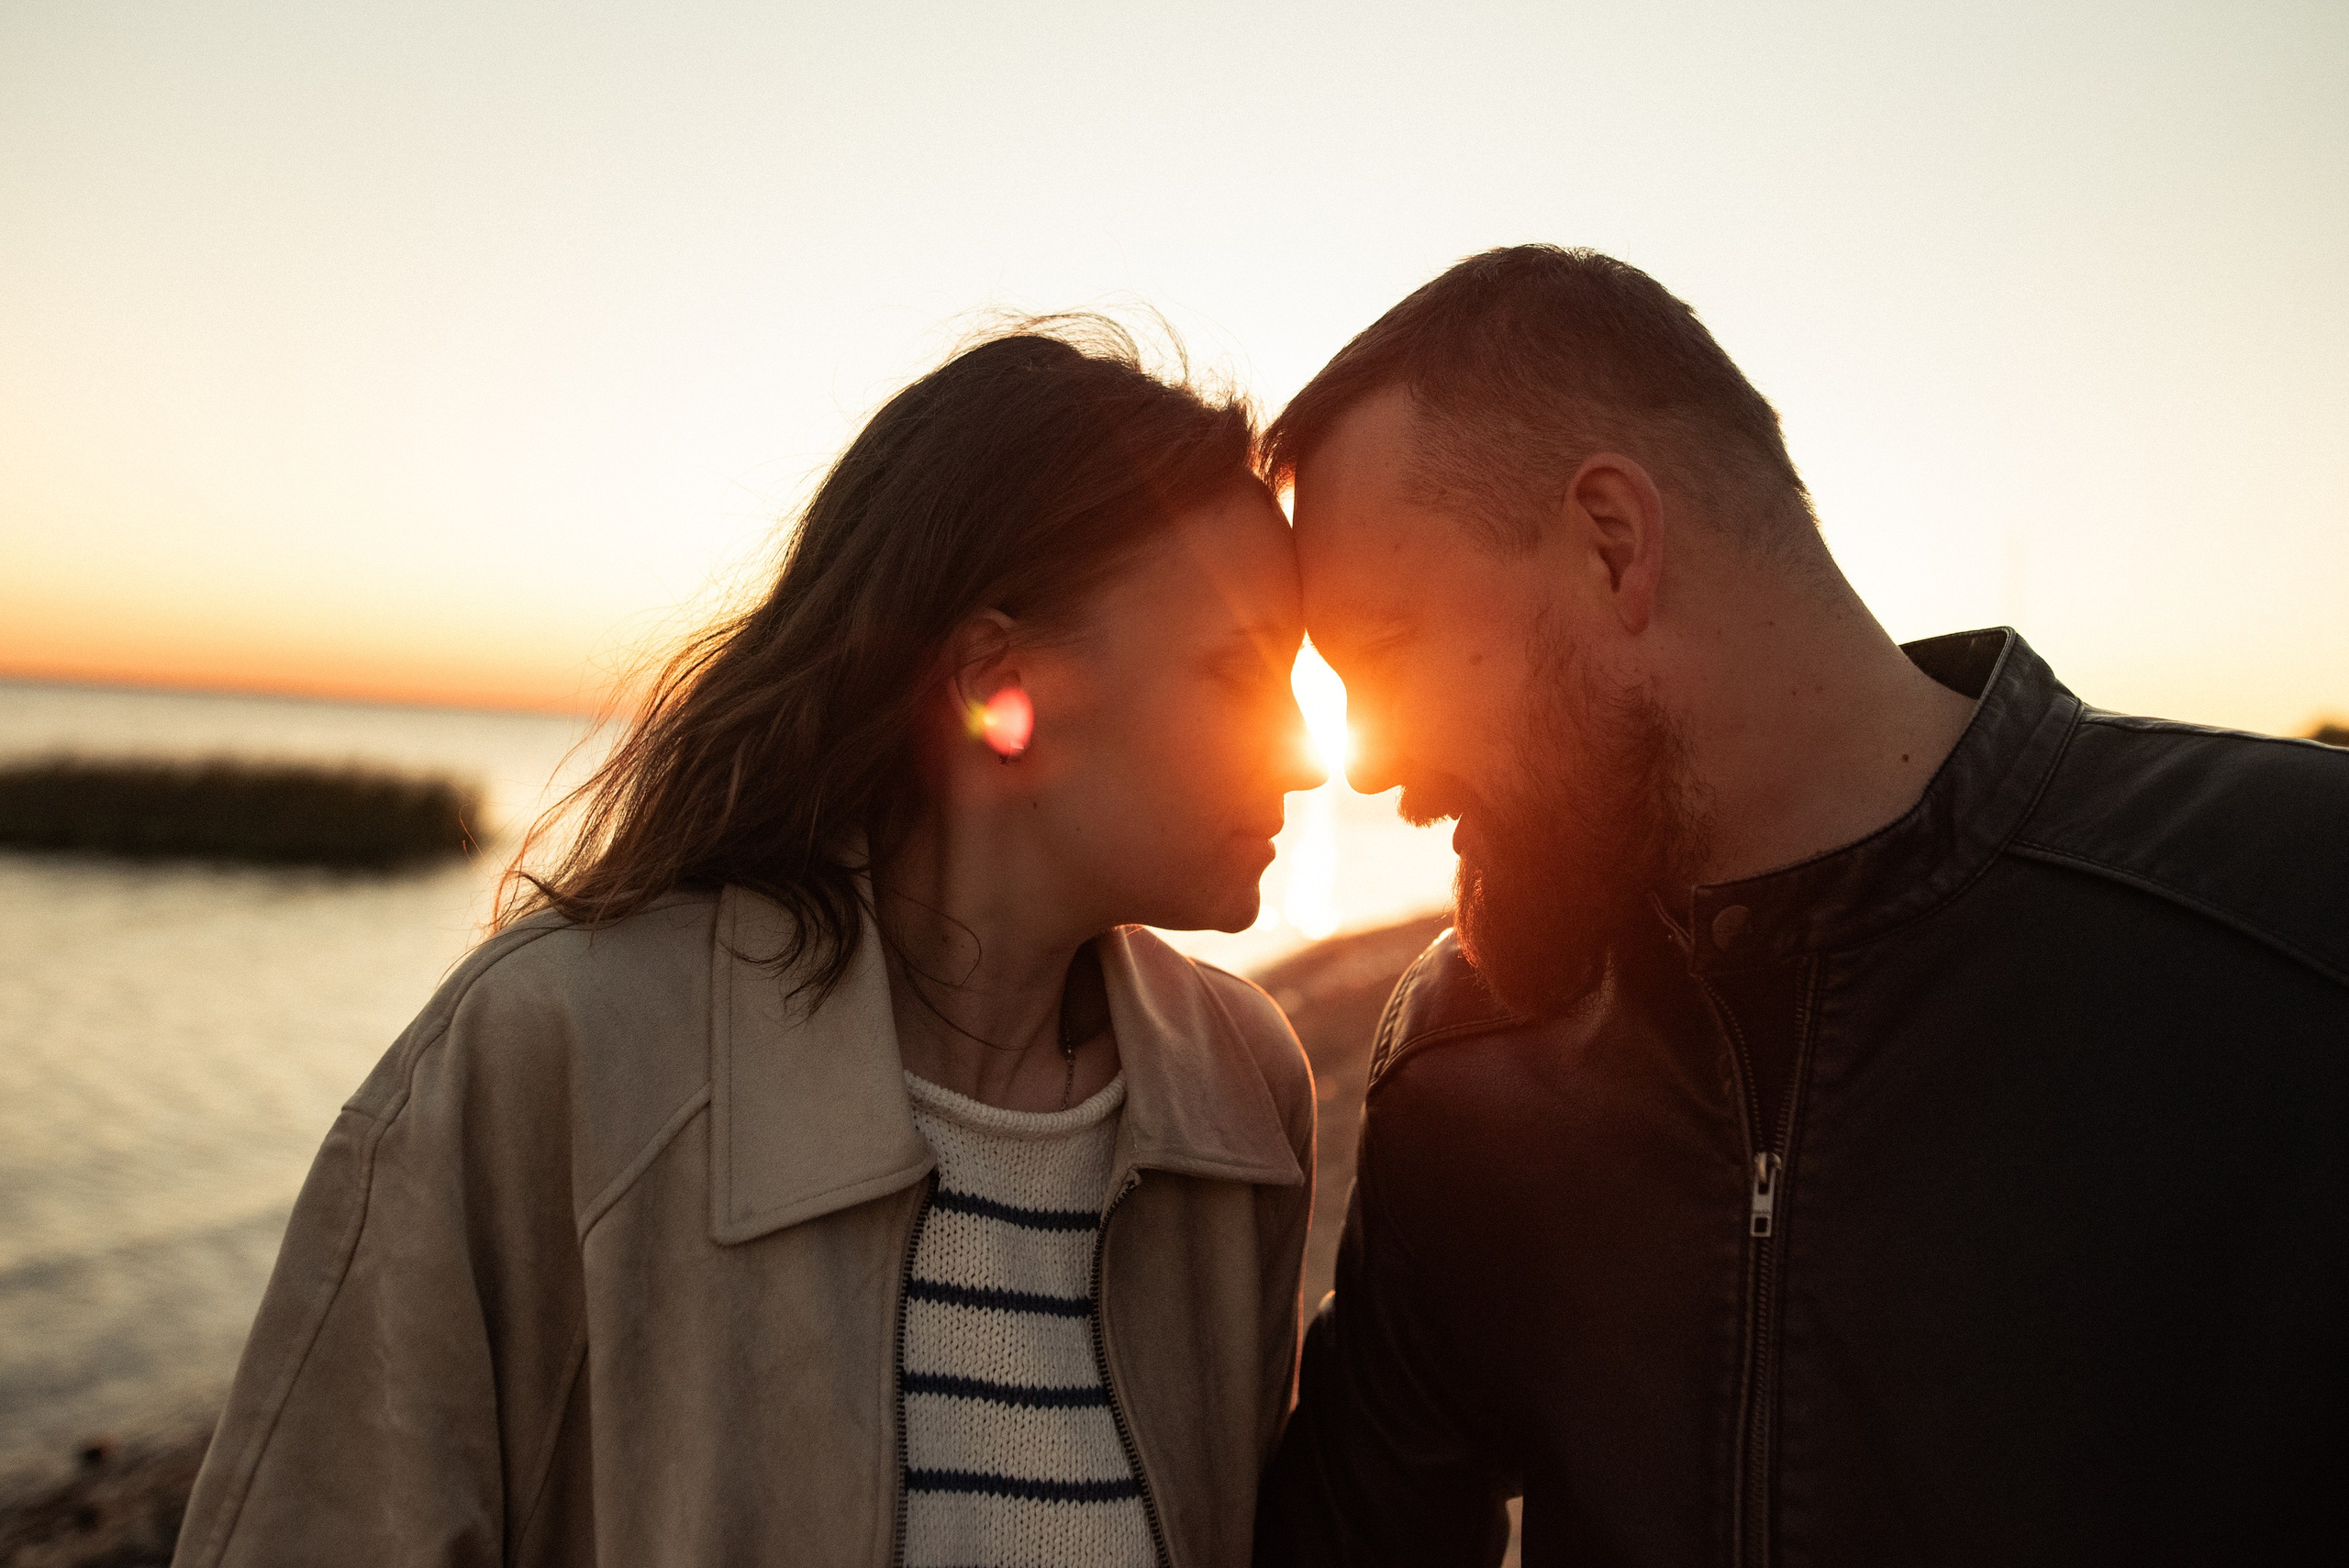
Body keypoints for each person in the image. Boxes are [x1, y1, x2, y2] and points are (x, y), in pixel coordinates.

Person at [1252, 246, 2348, 1565]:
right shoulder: (1465, 1060)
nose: (1365, 763)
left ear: (1612, 544)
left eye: (1383, 651)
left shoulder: (2297, 918)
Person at [173, 321, 1326, 1567]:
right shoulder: (559, 1053)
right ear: (1000, 688)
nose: (1308, 753)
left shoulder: (1239, 1099)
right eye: (1238, 671)